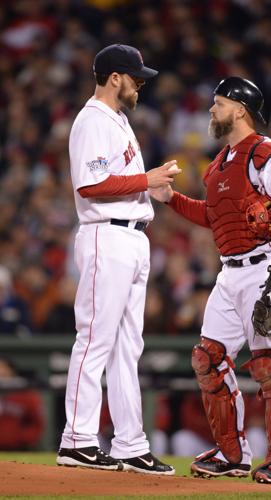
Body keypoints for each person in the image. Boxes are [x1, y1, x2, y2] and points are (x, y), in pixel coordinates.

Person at [150, 76, 271, 485]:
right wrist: (170, 199)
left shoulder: (268, 154)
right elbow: (212, 217)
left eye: (218, 103)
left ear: (240, 108)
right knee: (207, 360)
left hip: (265, 267)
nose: (211, 111)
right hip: (230, 271)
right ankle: (232, 454)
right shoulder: (219, 162)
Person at [56, 43, 180, 474]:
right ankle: (77, 439)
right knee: (95, 340)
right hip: (105, 236)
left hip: (132, 237)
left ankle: (130, 443)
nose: (141, 83)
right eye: (136, 77)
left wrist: (151, 188)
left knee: (128, 348)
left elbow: (120, 181)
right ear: (115, 78)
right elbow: (90, 186)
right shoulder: (93, 120)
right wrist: (143, 180)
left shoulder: (119, 121)